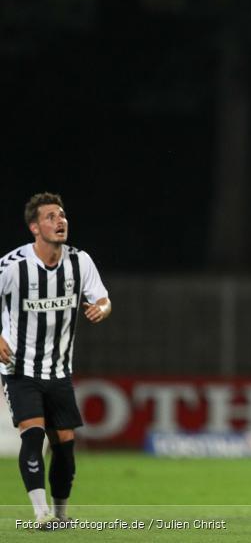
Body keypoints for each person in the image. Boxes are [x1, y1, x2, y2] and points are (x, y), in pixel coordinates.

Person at [0, 192, 112, 529]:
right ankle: (41, 513)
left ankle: (62, 515)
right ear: (34, 227)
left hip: (60, 370)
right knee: (33, 437)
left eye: (61, 215)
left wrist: (101, 309)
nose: (59, 221)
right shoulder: (13, 266)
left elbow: (104, 299)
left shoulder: (81, 262)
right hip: (20, 369)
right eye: (50, 216)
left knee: (64, 447)